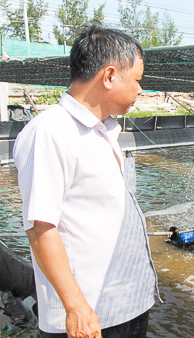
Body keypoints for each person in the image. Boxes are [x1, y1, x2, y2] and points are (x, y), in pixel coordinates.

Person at [13, 22, 160, 338]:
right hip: (89, 316)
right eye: (136, 80)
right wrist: (76, 307)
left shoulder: (102, 131)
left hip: (124, 305)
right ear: (109, 76)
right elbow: (40, 227)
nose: (140, 90)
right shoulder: (50, 133)